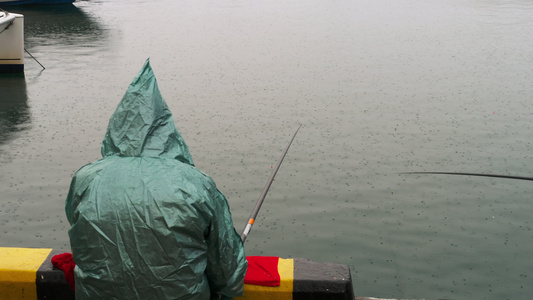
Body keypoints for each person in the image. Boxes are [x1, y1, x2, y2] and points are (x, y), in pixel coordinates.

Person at [65, 59, 247, 300]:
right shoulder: (196, 183)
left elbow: (82, 237)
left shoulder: (86, 179)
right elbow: (227, 273)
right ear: (166, 128)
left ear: (117, 126)